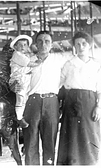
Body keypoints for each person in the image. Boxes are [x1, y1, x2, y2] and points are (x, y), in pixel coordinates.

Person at [57, 31, 101, 165]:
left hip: (90, 102)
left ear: (89, 45)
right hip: (71, 101)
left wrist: (98, 107)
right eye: (77, 44)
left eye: (84, 43)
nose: (81, 46)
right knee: (72, 135)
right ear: (74, 46)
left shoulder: (96, 65)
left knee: (91, 135)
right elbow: (57, 83)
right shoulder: (69, 64)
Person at [19, 31, 69, 165]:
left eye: (47, 41)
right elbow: (22, 85)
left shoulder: (59, 61)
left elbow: (67, 78)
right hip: (32, 103)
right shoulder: (29, 61)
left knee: (50, 142)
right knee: (30, 143)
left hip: (52, 102)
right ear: (35, 44)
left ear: (51, 44)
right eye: (40, 41)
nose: (43, 44)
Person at [8, 35, 42, 128]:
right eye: (20, 45)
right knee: (21, 97)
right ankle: (19, 118)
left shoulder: (25, 55)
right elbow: (29, 64)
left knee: (25, 98)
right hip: (19, 78)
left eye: (25, 45)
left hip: (25, 78)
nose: (23, 47)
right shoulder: (17, 54)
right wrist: (38, 63)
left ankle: (22, 115)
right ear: (15, 47)